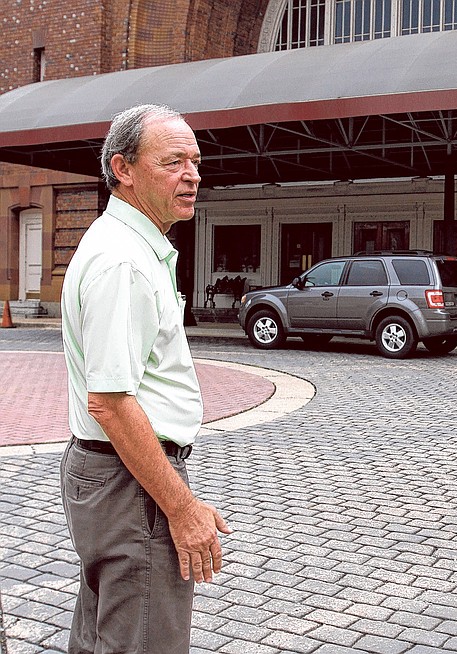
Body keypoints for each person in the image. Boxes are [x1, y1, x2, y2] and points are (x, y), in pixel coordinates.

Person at [60, 104, 232, 653]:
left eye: (196, 161)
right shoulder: (124, 262)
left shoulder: (132, 246)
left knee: (106, 637)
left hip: (115, 475)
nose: (192, 175)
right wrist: (181, 508)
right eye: (173, 161)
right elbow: (110, 400)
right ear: (124, 169)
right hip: (130, 483)